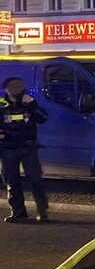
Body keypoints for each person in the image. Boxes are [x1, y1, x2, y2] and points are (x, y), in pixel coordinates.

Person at [0, 77, 49, 223]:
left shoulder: (29, 103)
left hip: (28, 147)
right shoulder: (1, 105)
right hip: (8, 148)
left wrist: (32, 104)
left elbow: (43, 118)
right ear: (7, 89)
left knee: (35, 180)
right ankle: (18, 213)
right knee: (11, 180)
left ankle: (43, 212)